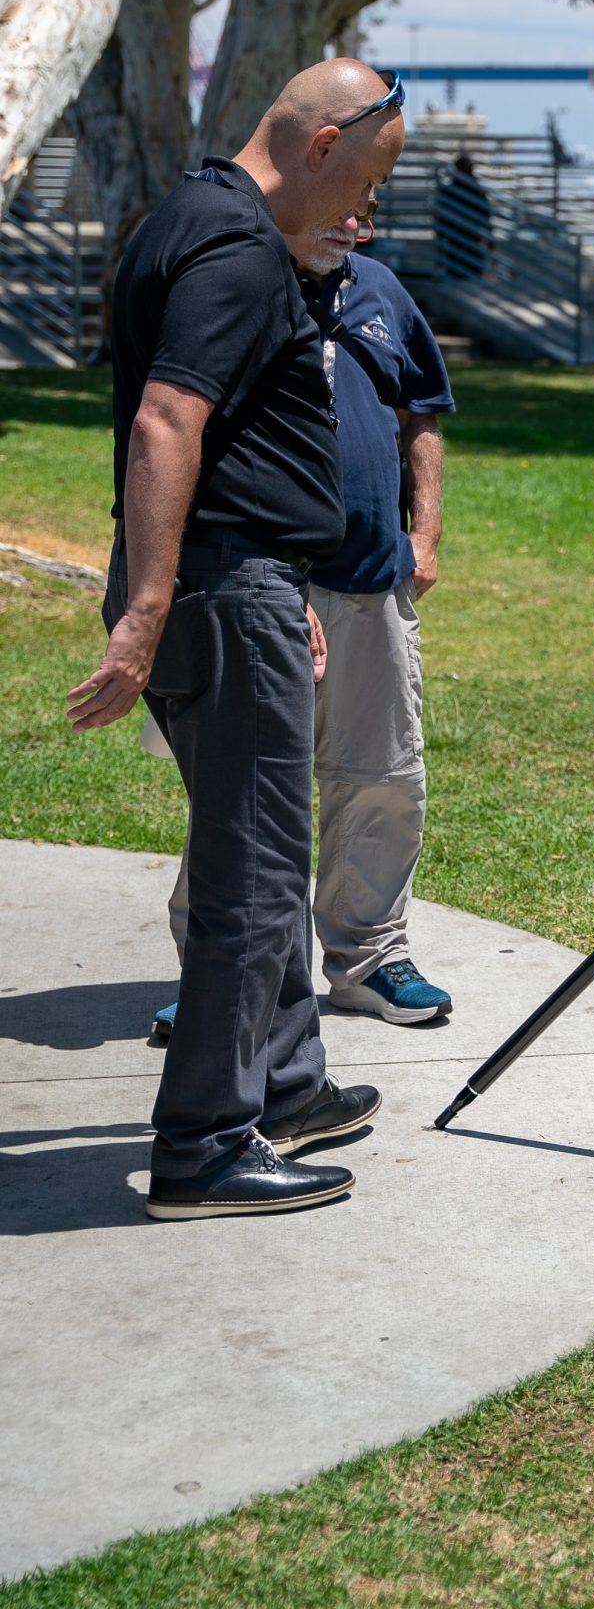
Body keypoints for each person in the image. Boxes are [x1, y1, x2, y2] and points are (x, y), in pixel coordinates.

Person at [69, 63, 406, 1221]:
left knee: (261, 851)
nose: (364, 214)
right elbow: (170, 419)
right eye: (363, 181)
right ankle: (207, 1142)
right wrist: (150, 609)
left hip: (241, 581)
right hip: (215, 596)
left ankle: (287, 1085)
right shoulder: (234, 247)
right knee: (256, 878)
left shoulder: (193, 216)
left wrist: (276, 576)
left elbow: (237, 445)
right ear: (319, 146)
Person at [152, 209, 457, 1044]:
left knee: (381, 777)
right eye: (344, 194)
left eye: (371, 200)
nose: (357, 218)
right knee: (246, 792)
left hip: (370, 584)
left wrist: (423, 537)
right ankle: (224, 979)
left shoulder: (383, 291)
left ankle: (369, 960)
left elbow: (421, 411)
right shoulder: (236, 287)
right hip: (259, 585)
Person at [434, 149, 491, 281]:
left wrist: (440, 236)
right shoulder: (476, 190)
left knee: (456, 272)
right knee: (470, 273)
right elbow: (485, 213)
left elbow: (441, 215)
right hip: (471, 237)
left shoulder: (450, 189)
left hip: (456, 237)